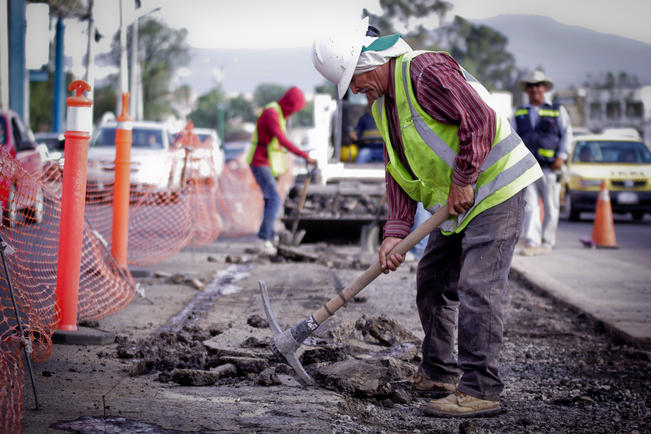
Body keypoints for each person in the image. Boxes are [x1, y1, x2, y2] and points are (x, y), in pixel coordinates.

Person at [312, 18, 542, 418]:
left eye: (354, 77)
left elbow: (480, 119)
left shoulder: (424, 69)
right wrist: (395, 232)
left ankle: (481, 389)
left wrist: (465, 178)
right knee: (433, 279)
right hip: (457, 202)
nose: (353, 89)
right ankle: (439, 373)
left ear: (371, 58)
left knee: (477, 286)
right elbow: (398, 170)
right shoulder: (383, 104)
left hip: (494, 190)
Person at [247, 86, 317, 255]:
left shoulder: (278, 113)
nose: (293, 112)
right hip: (259, 162)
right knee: (275, 200)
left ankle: (269, 236)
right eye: (294, 108)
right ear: (290, 104)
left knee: (270, 200)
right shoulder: (272, 113)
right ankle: (263, 239)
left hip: (268, 164)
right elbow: (282, 140)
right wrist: (303, 155)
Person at [513, 70, 572, 256]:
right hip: (528, 167)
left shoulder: (557, 110)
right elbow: (512, 139)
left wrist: (561, 156)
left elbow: (567, 134)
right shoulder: (520, 112)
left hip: (550, 167)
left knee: (551, 205)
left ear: (544, 88)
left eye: (538, 85)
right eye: (530, 86)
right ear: (527, 90)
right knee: (530, 205)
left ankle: (547, 242)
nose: (534, 89)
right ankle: (532, 242)